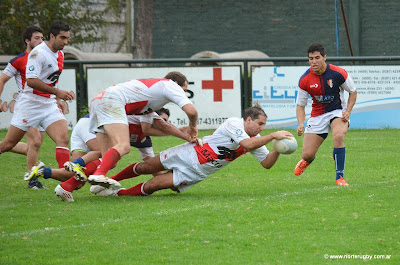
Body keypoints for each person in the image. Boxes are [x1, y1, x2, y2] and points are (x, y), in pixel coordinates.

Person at [89, 105, 294, 197]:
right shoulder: (234, 123)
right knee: (147, 166)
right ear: (248, 120)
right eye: (260, 124)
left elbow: (266, 163)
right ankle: (107, 180)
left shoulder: (258, 139)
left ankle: (116, 194)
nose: (262, 128)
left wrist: (277, 150)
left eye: (264, 126)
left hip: (198, 171)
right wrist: (273, 136)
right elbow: (247, 145)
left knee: (154, 184)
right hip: (190, 152)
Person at [54, 71, 198, 200]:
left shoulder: (152, 96)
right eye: (184, 90)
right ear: (177, 84)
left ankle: (67, 187)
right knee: (123, 146)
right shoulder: (170, 85)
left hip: (99, 100)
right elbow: (191, 112)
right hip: (111, 101)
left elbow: (162, 125)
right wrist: (192, 127)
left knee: (107, 159)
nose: (183, 94)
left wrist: (186, 136)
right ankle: (97, 174)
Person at [0, 21, 75, 178]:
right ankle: (34, 175)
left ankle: (65, 181)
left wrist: (56, 98)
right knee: (8, 144)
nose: (65, 42)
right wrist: (57, 92)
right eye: (62, 38)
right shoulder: (38, 53)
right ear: (52, 36)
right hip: (30, 104)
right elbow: (31, 81)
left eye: (67, 38)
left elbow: (51, 79)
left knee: (63, 138)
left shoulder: (60, 54)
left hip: (48, 104)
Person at [293, 43, 357, 186]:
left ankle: (339, 177)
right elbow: (300, 105)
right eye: (311, 59)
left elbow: (353, 92)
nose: (314, 62)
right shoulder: (305, 79)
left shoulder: (338, 73)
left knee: (338, 136)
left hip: (337, 111)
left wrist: (348, 112)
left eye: (317, 58)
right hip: (317, 115)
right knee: (307, 154)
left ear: (324, 57)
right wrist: (301, 123)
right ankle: (307, 160)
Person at [0, 26, 46, 188]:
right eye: (37, 38)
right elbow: (2, 79)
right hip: (26, 105)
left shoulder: (45, 57)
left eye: (42, 38)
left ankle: (4, 146)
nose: (41, 41)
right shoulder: (19, 60)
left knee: (34, 145)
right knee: (34, 141)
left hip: (44, 105)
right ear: (27, 40)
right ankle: (33, 180)